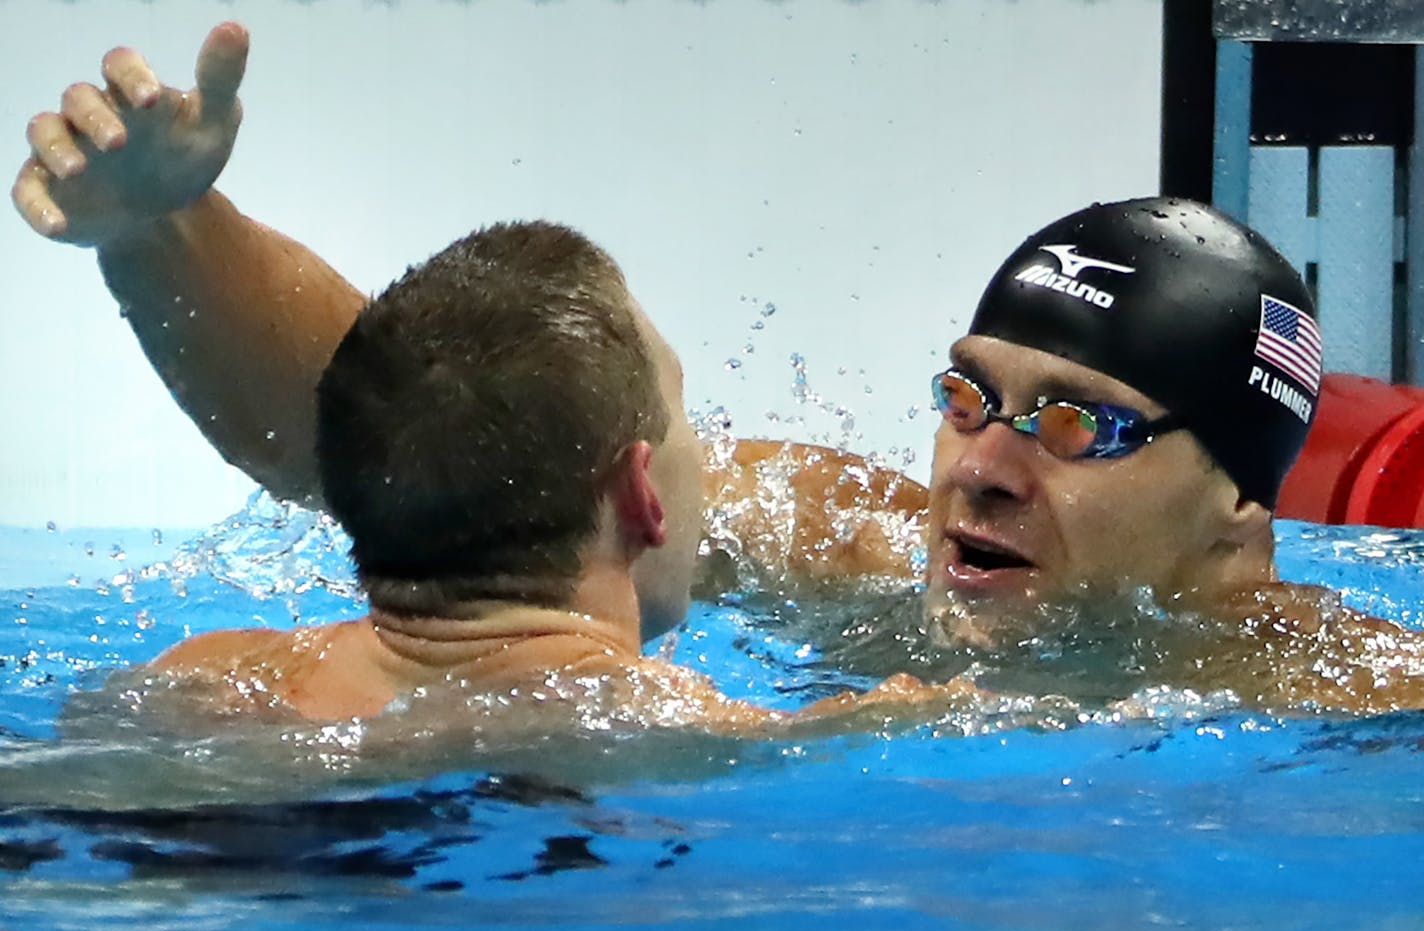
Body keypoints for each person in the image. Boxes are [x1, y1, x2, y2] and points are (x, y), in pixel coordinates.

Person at [15, 23, 1424, 716]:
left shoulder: (1341, 688)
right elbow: (422, 438)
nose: (980, 471)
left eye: (1072, 425)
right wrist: (165, 227)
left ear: (1243, 494)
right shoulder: (847, 545)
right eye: (964, 399)